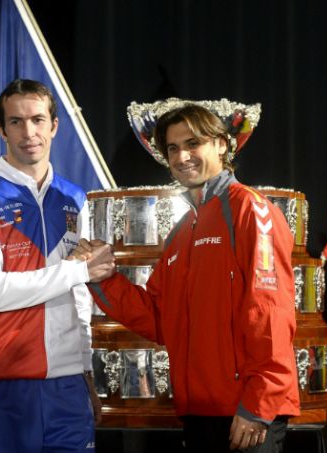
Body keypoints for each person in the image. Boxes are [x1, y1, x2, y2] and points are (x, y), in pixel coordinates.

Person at [80, 103, 300, 452]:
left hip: (246, 412)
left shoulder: (251, 210)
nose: (182, 156)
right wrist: (102, 278)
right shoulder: (183, 230)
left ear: (222, 145)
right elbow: (159, 318)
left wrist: (259, 404)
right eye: (172, 148)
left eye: (193, 143)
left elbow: (270, 312)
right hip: (198, 412)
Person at [0, 78, 115, 452]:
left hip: (68, 383)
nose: (29, 132)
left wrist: (86, 368)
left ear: (54, 126)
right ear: (1, 131)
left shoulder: (74, 198)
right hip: (2, 380)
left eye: (38, 120)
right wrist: (78, 270)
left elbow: (81, 299)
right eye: (16, 122)